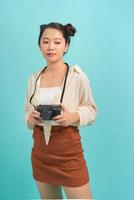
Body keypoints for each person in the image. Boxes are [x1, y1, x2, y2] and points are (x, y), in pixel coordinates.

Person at [24, 22, 98, 199]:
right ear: (39, 45)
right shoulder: (34, 78)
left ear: (66, 46)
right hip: (40, 151)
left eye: (57, 42)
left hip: (68, 152)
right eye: (45, 41)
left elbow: (92, 110)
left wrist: (73, 116)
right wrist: (31, 119)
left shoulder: (77, 77)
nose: (51, 47)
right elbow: (27, 110)